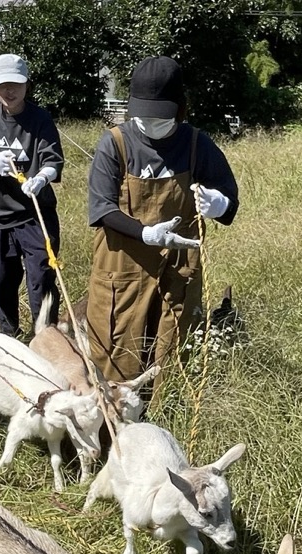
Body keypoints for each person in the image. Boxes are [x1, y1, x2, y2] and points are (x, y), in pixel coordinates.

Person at [85, 56, 240, 384]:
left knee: (172, 357)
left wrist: (218, 204)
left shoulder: (197, 144)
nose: (151, 123)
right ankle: (114, 429)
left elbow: (229, 208)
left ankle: (165, 421)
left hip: (177, 272)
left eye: (161, 117)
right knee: (116, 360)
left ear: (180, 110)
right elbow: (101, 208)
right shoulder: (115, 143)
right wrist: (145, 234)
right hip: (121, 271)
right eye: (144, 115)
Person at [0, 53, 64, 338]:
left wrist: (42, 177)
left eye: (16, 85)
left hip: (35, 214)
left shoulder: (40, 119)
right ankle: (9, 337)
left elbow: (53, 161)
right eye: (2, 85)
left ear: (26, 85)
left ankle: (46, 338)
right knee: (2, 282)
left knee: (42, 279)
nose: (9, 91)